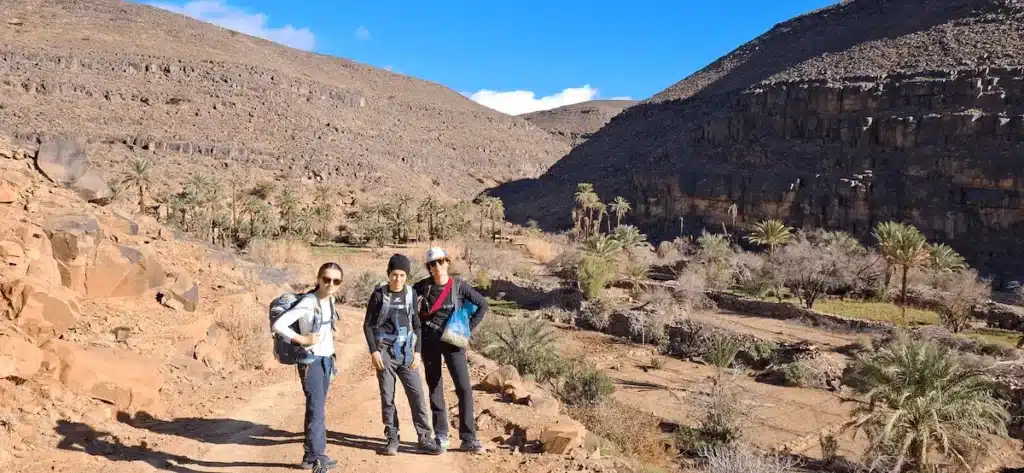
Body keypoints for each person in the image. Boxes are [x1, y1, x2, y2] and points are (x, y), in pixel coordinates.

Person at [363, 254, 444, 456]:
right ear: (388, 274)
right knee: (387, 396)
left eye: (402, 275)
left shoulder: (410, 294)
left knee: (417, 395)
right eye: (394, 274)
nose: (397, 279)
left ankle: (424, 438)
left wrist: (417, 352)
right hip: (384, 353)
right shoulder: (379, 295)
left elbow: (417, 324)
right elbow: (368, 325)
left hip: (407, 352)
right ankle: (392, 437)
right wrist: (374, 351)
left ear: (407, 276)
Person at [413, 247, 489, 454]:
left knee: (464, 388)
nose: (437, 266)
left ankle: (468, 438)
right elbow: (406, 303)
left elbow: (483, 305)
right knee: (435, 387)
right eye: (432, 263)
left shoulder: (459, 286)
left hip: (454, 341)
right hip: (429, 341)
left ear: (447, 262)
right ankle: (441, 435)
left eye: (440, 261)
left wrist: (467, 329)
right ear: (428, 267)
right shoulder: (421, 287)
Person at [272, 262, 343, 470]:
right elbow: (279, 325)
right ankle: (319, 458)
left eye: (336, 281)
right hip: (311, 362)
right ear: (318, 279)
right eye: (327, 279)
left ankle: (309, 455)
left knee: (315, 408)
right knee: (316, 410)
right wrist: (302, 339)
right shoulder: (309, 302)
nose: (331, 284)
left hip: (326, 360)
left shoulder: (330, 300)